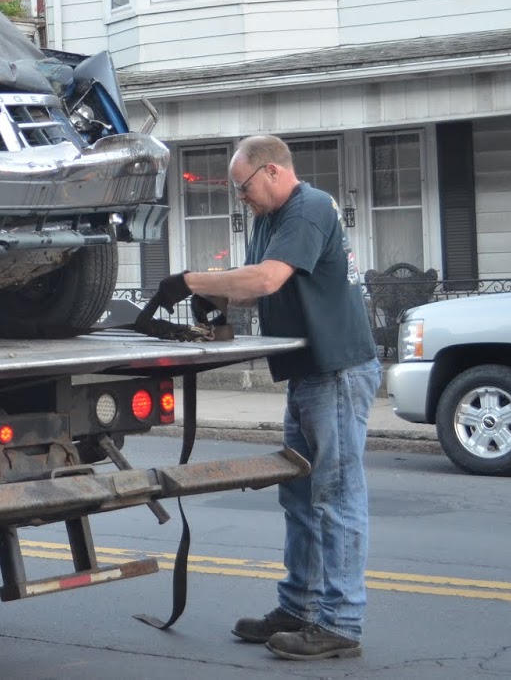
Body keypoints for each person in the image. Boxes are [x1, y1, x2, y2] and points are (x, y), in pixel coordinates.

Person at [151, 135, 379, 661]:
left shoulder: (309, 207)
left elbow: (267, 279)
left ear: (273, 172)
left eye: (244, 187)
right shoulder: (267, 222)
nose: (241, 198)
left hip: (337, 371)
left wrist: (188, 280)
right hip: (307, 373)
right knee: (299, 496)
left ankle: (340, 623)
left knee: (335, 497)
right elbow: (245, 286)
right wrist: (209, 302)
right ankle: (300, 606)